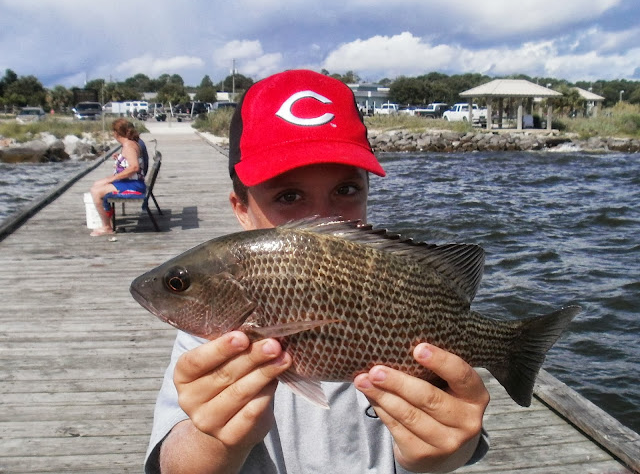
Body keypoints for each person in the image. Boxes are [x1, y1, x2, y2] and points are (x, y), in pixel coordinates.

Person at [145, 69, 490, 473]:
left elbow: (453, 440)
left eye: (346, 190)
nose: (322, 219)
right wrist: (213, 438)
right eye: (288, 196)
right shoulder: (208, 341)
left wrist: (448, 451)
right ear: (240, 208)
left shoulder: (398, 282)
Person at [89, 118, 146, 236]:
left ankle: (107, 227)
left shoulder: (129, 146)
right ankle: (109, 222)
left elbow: (134, 167)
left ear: (117, 133)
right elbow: (130, 162)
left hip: (134, 186)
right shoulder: (130, 144)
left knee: (96, 191)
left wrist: (113, 178)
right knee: (97, 184)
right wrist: (120, 157)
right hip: (131, 182)